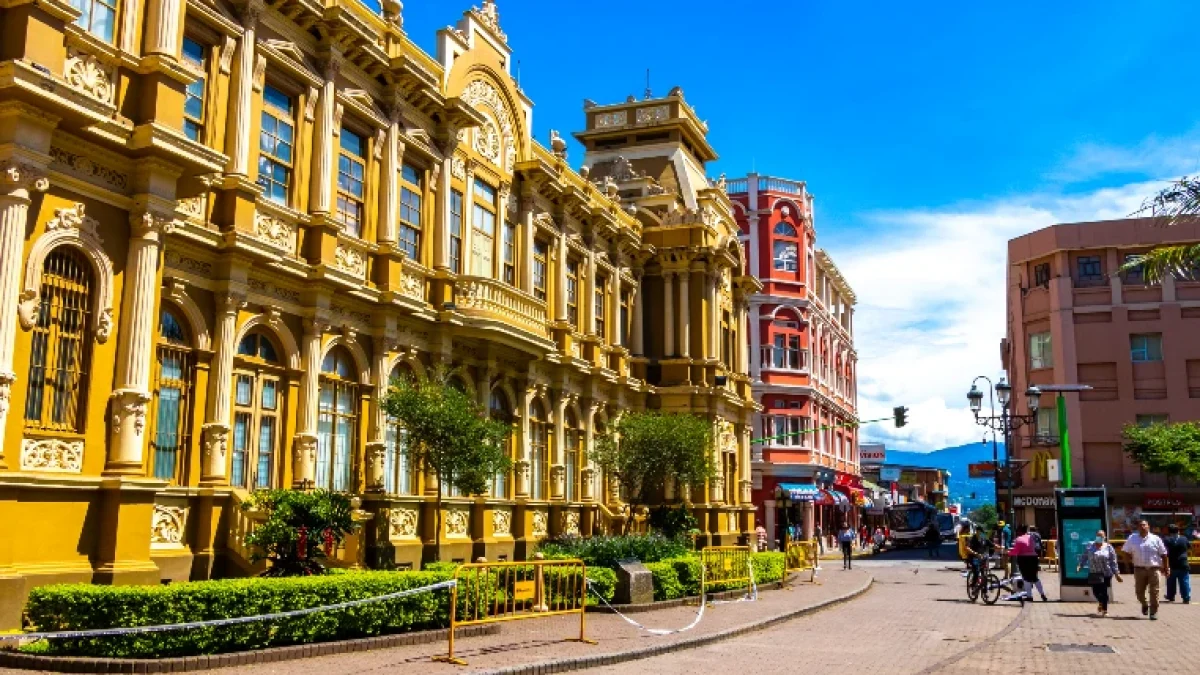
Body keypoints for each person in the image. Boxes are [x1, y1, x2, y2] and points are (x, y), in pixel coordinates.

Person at [1122, 519, 1169, 620]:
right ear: (1138, 527)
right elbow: (1125, 552)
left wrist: (1166, 568)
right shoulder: (1132, 538)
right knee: (1139, 592)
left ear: (1148, 527)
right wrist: (1127, 565)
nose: (1142, 527)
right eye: (1140, 525)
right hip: (1139, 569)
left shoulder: (1156, 539)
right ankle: (1144, 604)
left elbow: (1164, 554)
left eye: (1144, 525)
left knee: (1154, 591)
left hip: (1154, 569)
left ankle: (1153, 612)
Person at [1078, 530, 1121, 617]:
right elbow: (1085, 556)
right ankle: (1101, 602)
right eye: (1098, 536)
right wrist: (1080, 565)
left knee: (1104, 591)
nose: (1099, 537)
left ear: (1104, 537)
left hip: (1106, 572)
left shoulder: (1109, 547)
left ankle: (1105, 610)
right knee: (1096, 591)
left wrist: (1116, 573)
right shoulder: (1090, 545)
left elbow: (1113, 561)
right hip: (1094, 572)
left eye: (1101, 536)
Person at [1009, 525, 1047, 601]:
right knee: (1035, 577)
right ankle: (1042, 594)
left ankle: (1029, 596)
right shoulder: (1031, 538)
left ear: (1019, 532)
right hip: (1033, 558)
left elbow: (1016, 551)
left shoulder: (1019, 539)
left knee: (1026, 578)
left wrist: (1009, 553)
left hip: (1024, 559)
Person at [1163, 524, 1192, 604]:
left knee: (1170, 581)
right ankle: (1186, 597)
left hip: (1172, 563)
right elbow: (1189, 547)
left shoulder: (1166, 540)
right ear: (1178, 531)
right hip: (1183, 563)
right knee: (1184, 581)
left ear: (1169, 531)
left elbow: (1163, 551)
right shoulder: (1184, 538)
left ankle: (1170, 596)